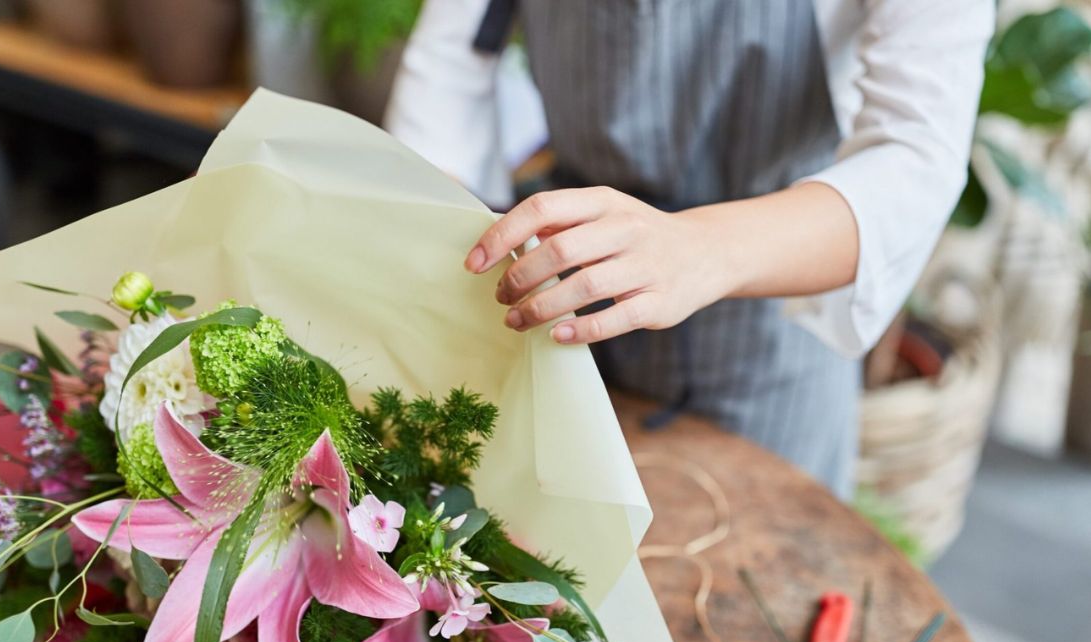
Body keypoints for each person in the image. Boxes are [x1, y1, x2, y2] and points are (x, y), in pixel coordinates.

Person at [385, 0, 994, 497]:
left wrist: (700, 248)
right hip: (561, 311)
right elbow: (452, 68)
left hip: (771, 332)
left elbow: (917, 155)